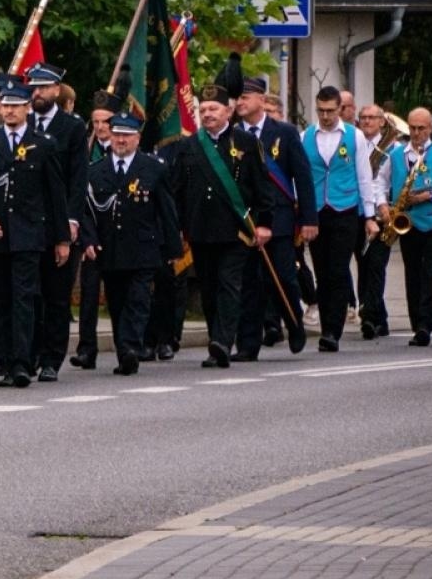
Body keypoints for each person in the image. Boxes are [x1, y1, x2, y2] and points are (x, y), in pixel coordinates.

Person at [0, 82, 70, 388]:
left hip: (29, 233)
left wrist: (62, 238)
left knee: (24, 298)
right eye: (4, 105)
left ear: (27, 108)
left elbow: (55, 194)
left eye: (16, 105)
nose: (9, 110)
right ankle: (5, 360)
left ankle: (22, 363)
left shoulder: (44, 143)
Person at [167, 69, 272, 369]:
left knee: (229, 285)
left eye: (214, 109)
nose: (208, 114)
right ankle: (217, 341)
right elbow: (176, 191)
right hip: (200, 229)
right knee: (210, 288)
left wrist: (264, 223)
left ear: (228, 110)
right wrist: (176, 227)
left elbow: (261, 187)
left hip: (235, 231)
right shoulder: (188, 146)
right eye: (203, 109)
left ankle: (224, 342)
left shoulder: (246, 143)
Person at [79, 116, 181, 375]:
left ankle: (130, 349)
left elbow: (166, 210)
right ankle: (123, 345)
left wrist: (172, 249)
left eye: (127, 135)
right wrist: (88, 239)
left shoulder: (153, 168)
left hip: (144, 247)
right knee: (117, 300)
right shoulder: (95, 171)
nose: (121, 140)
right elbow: (86, 212)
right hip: (110, 248)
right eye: (116, 135)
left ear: (137, 138)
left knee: (138, 299)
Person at [233, 74, 314, 358]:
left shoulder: (284, 132)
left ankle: (294, 325)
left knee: (283, 278)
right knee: (248, 284)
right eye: (237, 98)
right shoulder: (232, 134)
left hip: (279, 219)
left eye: (244, 97)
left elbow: (302, 177)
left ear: (261, 100)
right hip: (245, 220)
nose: (239, 103)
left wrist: (308, 219)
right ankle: (247, 344)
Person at [299, 85, 381, 351]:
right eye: (321, 111)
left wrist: (369, 215)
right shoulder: (306, 136)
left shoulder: (354, 136)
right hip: (317, 212)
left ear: (340, 109)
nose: (325, 116)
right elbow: (299, 178)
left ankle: (332, 331)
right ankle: (327, 326)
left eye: (330, 111)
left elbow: (364, 177)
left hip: (345, 210)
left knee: (337, 270)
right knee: (322, 272)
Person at [23, 64, 87, 381]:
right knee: (30, 293)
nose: (36, 93)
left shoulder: (73, 127)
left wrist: (72, 220)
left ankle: (52, 358)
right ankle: (31, 352)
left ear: (56, 90)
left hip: (61, 220)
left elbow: (77, 179)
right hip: (30, 222)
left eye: (43, 88)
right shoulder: (25, 125)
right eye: (33, 87)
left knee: (56, 295)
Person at [384, 108, 432, 346]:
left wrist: (429, 196)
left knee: (429, 273)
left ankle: (426, 325)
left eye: (421, 129)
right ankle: (416, 323)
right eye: (413, 128)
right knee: (412, 273)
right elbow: (379, 182)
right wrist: (382, 205)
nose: (416, 133)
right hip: (408, 222)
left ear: (430, 129)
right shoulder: (396, 154)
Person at [71, 90, 118, 370]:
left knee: (119, 294)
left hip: (117, 234)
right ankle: (87, 348)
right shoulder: (85, 151)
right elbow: (80, 199)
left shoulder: (126, 147)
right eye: (96, 121)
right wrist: (87, 236)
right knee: (88, 296)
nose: (101, 127)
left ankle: (126, 344)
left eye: (106, 121)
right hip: (90, 235)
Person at [356, 103, 397, 339]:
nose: (367, 121)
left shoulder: (393, 148)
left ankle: (369, 314)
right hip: (359, 212)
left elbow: (385, 181)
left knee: (375, 264)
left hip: (382, 214)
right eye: (363, 117)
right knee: (362, 264)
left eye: (372, 118)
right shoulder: (355, 143)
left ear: (383, 122)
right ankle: (377, 317)